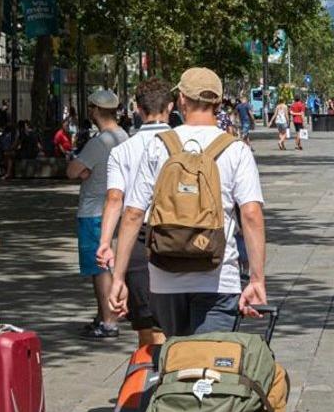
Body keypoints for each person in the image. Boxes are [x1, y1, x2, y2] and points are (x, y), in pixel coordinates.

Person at [108, 67, 266, 337]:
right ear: (217, 102)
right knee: (208, 368)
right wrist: (257, 279)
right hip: (218, 276)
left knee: (176, 360)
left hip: (164, 277)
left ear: (181, 99)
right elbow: (250, 215)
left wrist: (119, 278)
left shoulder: (158, 146)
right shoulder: (236, 149)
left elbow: (133, 214)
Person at [96, 78, 173, 347]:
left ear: (138, 110)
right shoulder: (183, 145)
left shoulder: (122, 151)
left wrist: (106, 243)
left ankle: (151, 380)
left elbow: (115, 198)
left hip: (138, 241)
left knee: (148, 327)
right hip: (178, 237)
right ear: (171, 106)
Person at [67, 90, 128, 339]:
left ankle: (108, 321)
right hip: (118, 210)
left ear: (94, 110)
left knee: (100, 268)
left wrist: (80, 167)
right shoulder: (124, 136)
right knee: (109, 265)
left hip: (94, 211)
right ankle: (105, 313)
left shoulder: (99, 142)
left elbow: (73, 171)